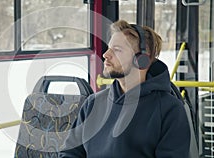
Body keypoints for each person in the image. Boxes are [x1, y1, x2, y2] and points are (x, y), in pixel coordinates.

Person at [58, 20, 190, 157]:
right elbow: (70, 153)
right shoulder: (93, 103)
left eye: (116, 50)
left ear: (141, 59)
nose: (105, 55)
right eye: (109, 48)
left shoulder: (169, 109)